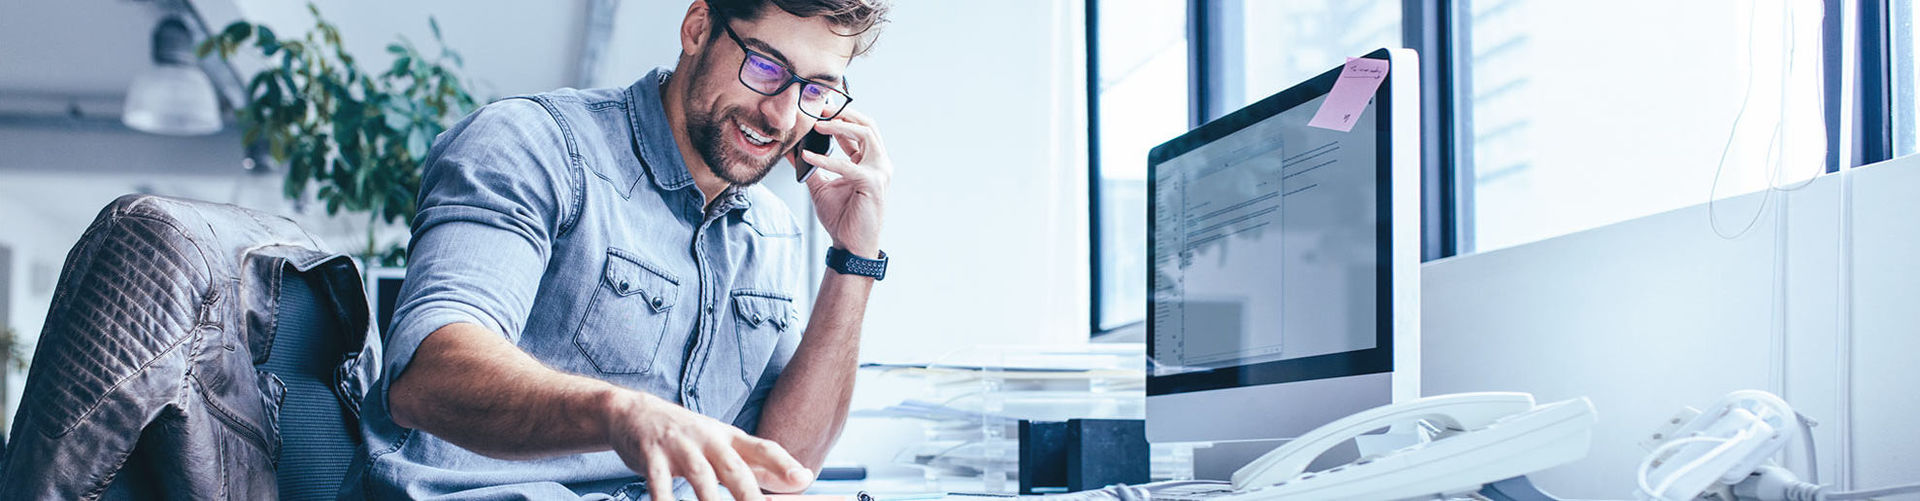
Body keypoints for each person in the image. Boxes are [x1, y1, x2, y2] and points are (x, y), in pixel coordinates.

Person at [344, 1, 894, 499]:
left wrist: (853, 253)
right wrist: (619, 414)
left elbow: (785, 466)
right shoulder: (532, 144)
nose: (782, 115)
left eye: (815, 91)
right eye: (767, 68)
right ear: (697, 28)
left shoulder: (770, 231)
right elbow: (426, 377)